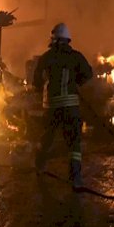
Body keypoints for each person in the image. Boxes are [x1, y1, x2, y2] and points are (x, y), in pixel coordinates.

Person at [33, 23, 93, 190]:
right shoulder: (76, 56)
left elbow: (36, 81)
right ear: (67, 39)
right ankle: (76, 179)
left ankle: (39, 167)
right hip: (71, 106)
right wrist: (76, 83)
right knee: (74, 143)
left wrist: (42, 89)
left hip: (51, 107)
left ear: (53, 39)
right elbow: (88, 74)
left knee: (47, 138)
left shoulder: (46, 57)